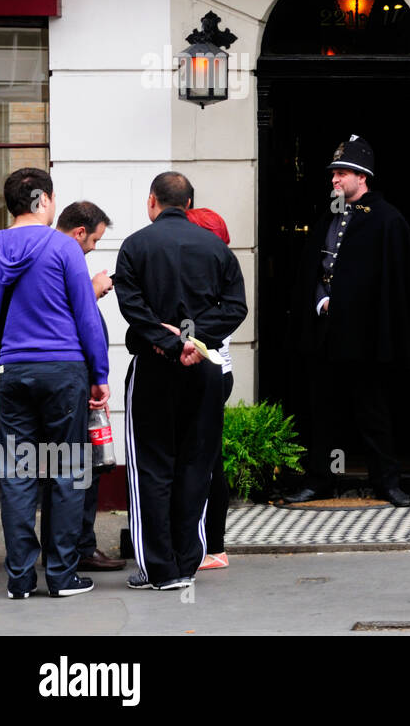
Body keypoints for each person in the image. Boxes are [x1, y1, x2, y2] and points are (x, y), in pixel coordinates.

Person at [113, 171, 247, 591]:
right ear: (189, 204)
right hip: (203, 367)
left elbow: (131, 306)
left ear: (152, 200)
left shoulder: (135, 245)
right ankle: (187, 562)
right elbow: (236, 307)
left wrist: (169, 342)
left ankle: (160, 568)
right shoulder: (216, 248)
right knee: (197, 463)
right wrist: (193, 340)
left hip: (154, 367)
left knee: (152, 466)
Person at [0, 169, 110, 598]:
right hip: (63, 372)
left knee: (18, 473)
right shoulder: (63, 246)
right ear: (42, 199)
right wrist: (100, 375)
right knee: (66, 471)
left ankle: (19, 580)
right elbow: (85, 316)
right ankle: (62, 575)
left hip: (14, 370)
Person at [285, 135, 410, 507]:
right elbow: (314, 272)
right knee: (323, 412)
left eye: (341, 173)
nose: (334, 179)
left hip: (365, 338)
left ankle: (387, 482)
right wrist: (322, 301)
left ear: (362, 177)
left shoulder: (388, 220)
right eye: (333, 173)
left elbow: (392, 286)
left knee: (373, 413)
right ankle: (319, 480)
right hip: (326, 334)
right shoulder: (327, 215)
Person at [52, 200, 125, 573]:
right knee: (83, 465)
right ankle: (78, 549)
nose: (95, 246)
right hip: (71, 379)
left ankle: (60, 550)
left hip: (36, 376)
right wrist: (92, 288)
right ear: (80, 232)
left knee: (53, 465)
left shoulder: (38, 253)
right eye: (94, 239)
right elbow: (81, 322)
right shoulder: (68, 259)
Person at [187, 207, 233, 570]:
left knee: (205, 461)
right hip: (219, 370)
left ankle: (212, 546)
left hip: (208, 369)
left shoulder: (210, 269)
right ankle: (210, 544)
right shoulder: (220, 265)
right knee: (208, 459)